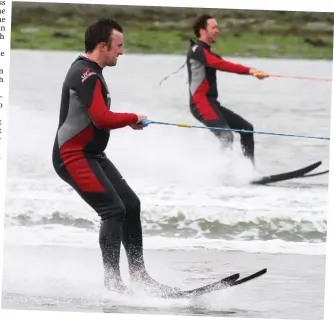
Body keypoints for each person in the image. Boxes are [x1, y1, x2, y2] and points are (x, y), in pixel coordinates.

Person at [52, 18, 179, 297]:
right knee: (113, 210)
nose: (122, 51)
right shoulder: (85, 74)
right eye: (118, 46)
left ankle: (139, 276)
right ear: (102, 46)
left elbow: (95, 117)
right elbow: (101, 117)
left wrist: (125, 121)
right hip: (72, 156)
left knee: (131, 205)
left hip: (92, 154)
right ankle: (113, 283)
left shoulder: (91, 72)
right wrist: (132, 117)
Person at [186, 14, 269, 165]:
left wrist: (253, 71)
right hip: (200, 103)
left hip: (212, 103)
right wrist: (250, 71)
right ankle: (223, 172)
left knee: (247, 129)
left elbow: (221, 63)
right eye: (213, 27)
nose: (217, 30)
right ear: (202, 31)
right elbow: (222, 65)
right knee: (226, 136)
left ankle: (249, 172)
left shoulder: (210, 54)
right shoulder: (196, 50)